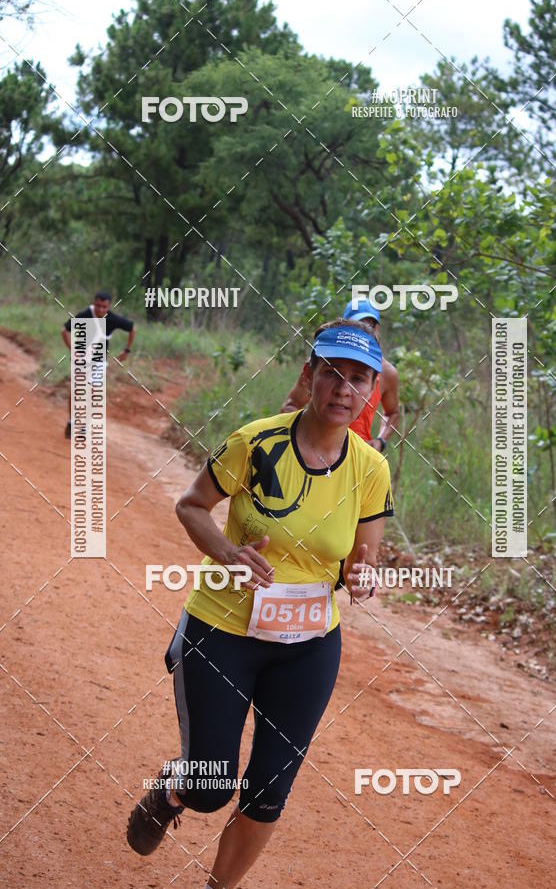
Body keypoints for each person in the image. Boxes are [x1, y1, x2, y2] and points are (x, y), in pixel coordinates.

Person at [126, 318, 394, 888]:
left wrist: (364, 576)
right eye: (331, 374)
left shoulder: (371, 468)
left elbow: (360, 561)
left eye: (358, 379)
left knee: (270, 788)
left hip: (310, 644)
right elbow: (191, 506)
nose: (343, 389)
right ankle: (173, 790)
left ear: (371, 390)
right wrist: (228, 553)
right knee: (210, 787)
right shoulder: (257, 441)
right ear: (309, 376)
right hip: (222, 629)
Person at [281, 299, 400, 453]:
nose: (365, 331)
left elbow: (393, 412)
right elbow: (290, 406)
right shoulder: (322, 363)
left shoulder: (387, 372)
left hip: (357, 459)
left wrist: (380, 441)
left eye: (371, 325)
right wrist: (305, 442)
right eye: (359, 324)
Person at [61, 291, 135, 438]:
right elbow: (64, 331)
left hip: (99, 361)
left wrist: (127, 350)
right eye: (98, 306)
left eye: (104, 307)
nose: (101, 310)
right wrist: (73, 350)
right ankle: (71, 422)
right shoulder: (84, 315)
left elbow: (132, 329)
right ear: (94, 303)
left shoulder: (112, 319)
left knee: (93, 392)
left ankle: (83, 426)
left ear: (109, 306)